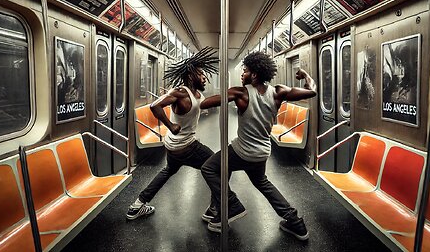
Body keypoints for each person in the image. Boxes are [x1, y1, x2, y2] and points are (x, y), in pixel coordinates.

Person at [200, 51, 317, 241]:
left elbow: (205, 104)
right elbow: (311, 91)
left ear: (254, 74)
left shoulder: (241, 92)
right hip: (262, 153)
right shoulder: (279, 92)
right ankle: (295, 222)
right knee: (261, 182)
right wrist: (305, 75)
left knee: (209, 168)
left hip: (241, 151)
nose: (242, 74)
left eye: (244, 71)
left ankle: (231, 205)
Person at [126, 47, 220, 221]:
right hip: (186, 146)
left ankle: (137, 205)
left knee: (168, 170)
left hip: (174, 145)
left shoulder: (197, 94)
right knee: (219, 168)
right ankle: (215, 209)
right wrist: (170, 125)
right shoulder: (180, 92)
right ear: (191, 75)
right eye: (201, 74)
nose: (205, 77)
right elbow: (155, 106)